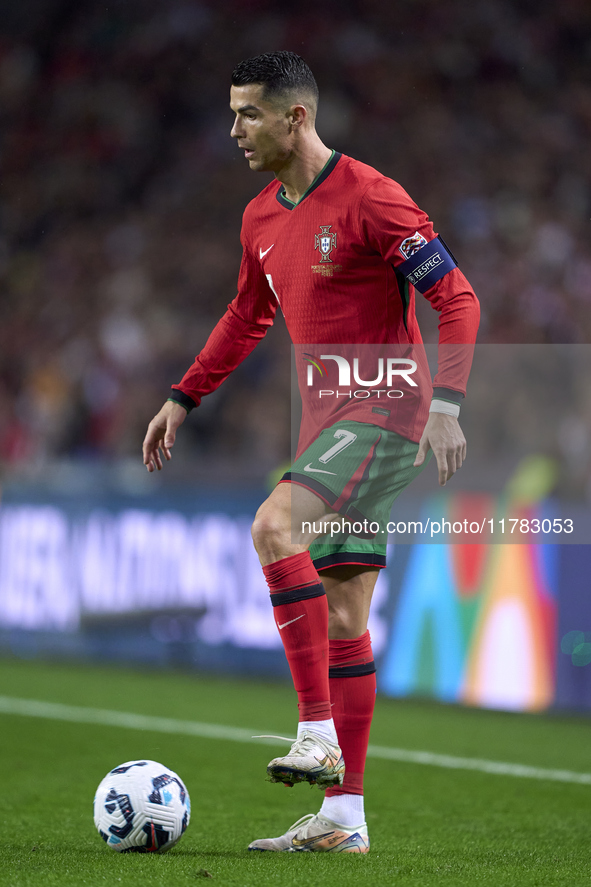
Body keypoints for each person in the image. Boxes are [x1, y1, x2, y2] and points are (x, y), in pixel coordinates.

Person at [142, 51, 479, 854]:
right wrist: (183, 393)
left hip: (384, 410)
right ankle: (343, 818)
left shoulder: (372, 198)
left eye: (247, 113)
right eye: (230, 113)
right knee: (341, 618)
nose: (233, 130)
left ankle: (314, 730)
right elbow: (246, 314)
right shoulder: (260, 217)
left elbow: (456, 297)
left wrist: (447, 404)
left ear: (295, 116)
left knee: (271, 527)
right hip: (326, 421)